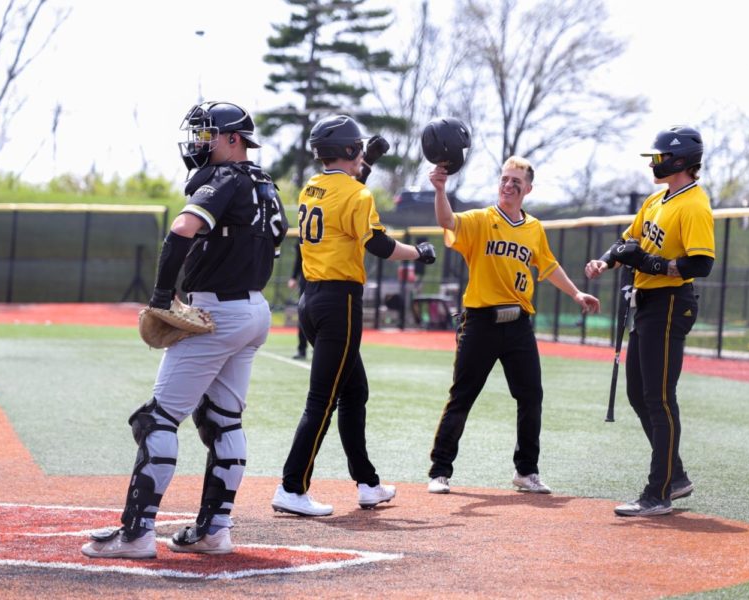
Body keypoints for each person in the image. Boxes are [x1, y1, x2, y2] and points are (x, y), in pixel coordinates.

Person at [81, 101, 287, 558]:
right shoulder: (266, 185)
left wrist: (159, 295)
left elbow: (182, 229)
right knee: (221, 419)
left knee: (155, 419)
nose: (199, 142)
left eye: (207, 134)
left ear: (234, 139)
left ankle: (136, 535)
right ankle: (216, 530)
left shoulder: (226, 178)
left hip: (217, 314)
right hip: (254, 311)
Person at [271, 114, 436, 516]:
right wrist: (419, 253)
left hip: (312, 300)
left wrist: (366, 166)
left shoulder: (312, 186)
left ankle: (367, 483)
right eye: (358, 147)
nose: (362, 151)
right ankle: (291, 487)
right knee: (322, 401)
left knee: (354, 392)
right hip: (340, 303)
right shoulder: (358, 196)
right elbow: (377, 244)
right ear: (349, 151)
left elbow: (343, 197)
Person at [426, 155, 600, 495]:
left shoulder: (533, 228)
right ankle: (440, 471)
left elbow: (548, 267)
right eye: (505, 179)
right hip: (480, 322)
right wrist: (440, 189)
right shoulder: (480, 219)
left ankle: (526, 472)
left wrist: (577, 294)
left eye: (516, 182)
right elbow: (447, 220)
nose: (508, 185)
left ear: (527, 190)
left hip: (519, 325)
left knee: (531, 395)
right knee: (463, 395)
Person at [585, 126, 714, 517]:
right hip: (647, 302)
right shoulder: (658, 198)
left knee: (659, 397)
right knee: (639, 394)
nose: (654, 163)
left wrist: (656, 264)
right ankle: (675, 477)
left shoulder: (693, 204)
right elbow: (629, 241)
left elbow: (701, 263)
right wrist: (607, 261)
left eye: (660, 156)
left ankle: (657, 492)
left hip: (671, 302)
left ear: (680, 160)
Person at [287, 240, 308, 359]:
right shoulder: (304, 232)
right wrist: (294, 277)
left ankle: (320, 348)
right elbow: (299, 258)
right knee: (304, 314)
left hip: (324, 279)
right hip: (307, 280)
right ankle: (302, 348)